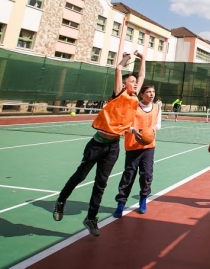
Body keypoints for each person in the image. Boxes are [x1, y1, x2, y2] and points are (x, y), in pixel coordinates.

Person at [53, 50, 145, 237]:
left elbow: (142, 75)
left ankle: (91, 218)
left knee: (101, 184)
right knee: (80, 175)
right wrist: (125, 60)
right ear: (125, 84)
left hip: (113, 147)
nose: (135, 83)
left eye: (136, 82)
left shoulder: (135, 98)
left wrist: (143, 59)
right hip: (97, 144)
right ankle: (61, 200)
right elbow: (118, 69)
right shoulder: (119, 93)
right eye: (132, 81)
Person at [112, 83, 162, 218]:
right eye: (148, 92)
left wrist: (152, 129)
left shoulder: (157, 107)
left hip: (148, 147)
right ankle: (121, 204)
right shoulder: (133, 106)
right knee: (128, 176)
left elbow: (158, 124)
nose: (151, 94)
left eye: (153, 92)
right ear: (142, 94)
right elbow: (124, 124)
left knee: (146, 175)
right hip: (133, 146)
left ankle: (143, 200)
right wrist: (132, 130)